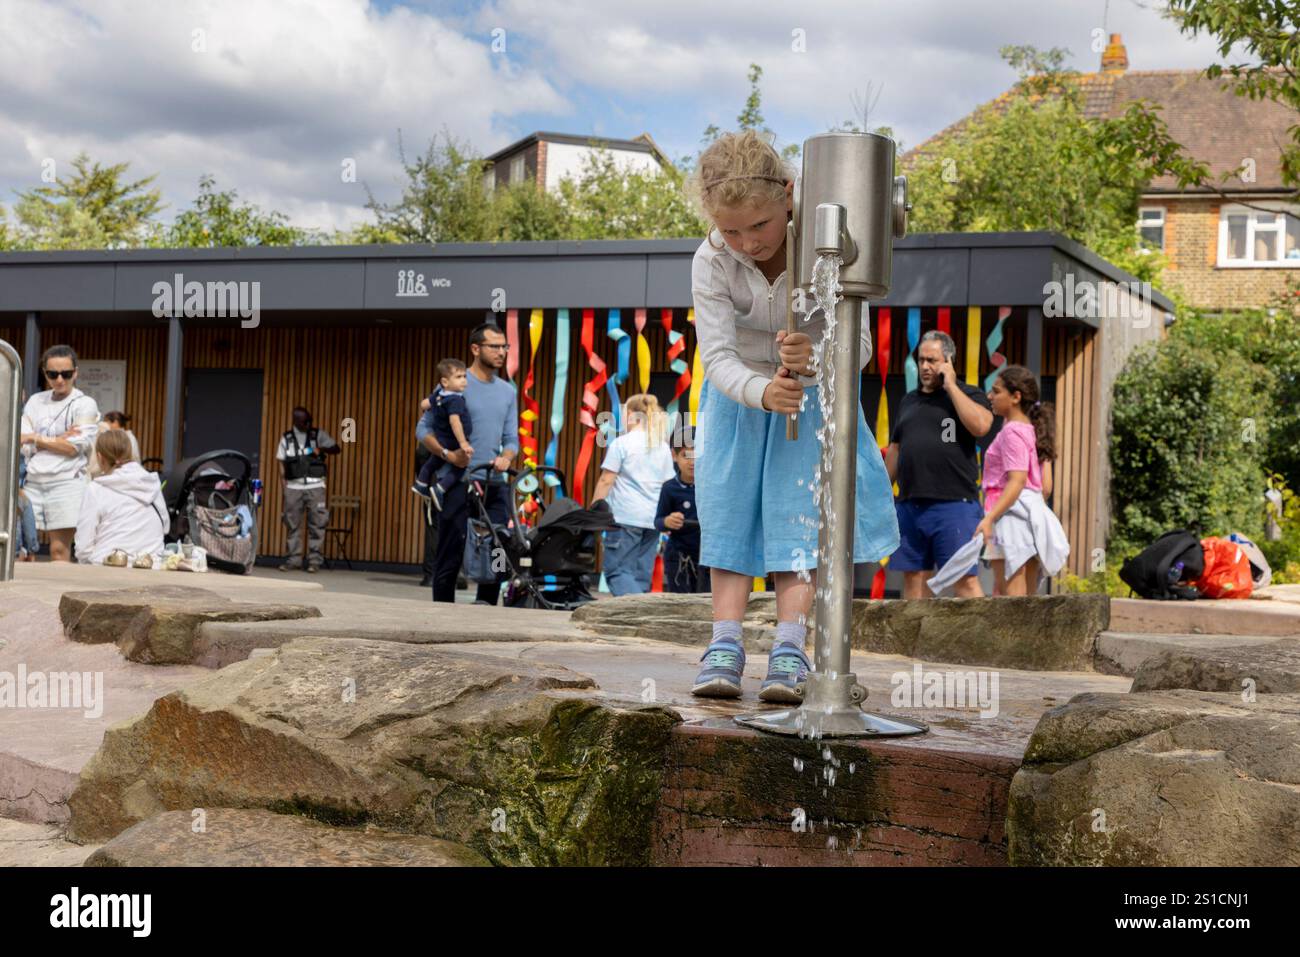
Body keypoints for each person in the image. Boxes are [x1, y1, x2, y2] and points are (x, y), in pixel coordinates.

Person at [685, 129, 899, 702]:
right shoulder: (712, 260)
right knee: (729, 515)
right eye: (731, 230)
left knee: (797, 516)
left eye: (759, 226)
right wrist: (760, 391)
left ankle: (789, 648)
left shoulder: (824, 243)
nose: (748, 243)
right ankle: (725, 643)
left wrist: (815, 359)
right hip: (740, 402)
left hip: (813, 399)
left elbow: (859, 349)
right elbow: (718, 357)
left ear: (788, 194)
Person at [885, 330, 994, 599]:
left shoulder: (970, 394)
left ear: (948, 361)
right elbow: (896, 449)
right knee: (913, 578)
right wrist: (880, 493)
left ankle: (983, 641)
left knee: (964, 580)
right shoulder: (909, 400)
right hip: (910, 505)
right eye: (921, 360)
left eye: (932, 360)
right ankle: (914, 642)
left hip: (954, 505)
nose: (924, 366)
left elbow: (981, 426)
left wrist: (952, 387)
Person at [426, 323, 518, 605]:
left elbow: (512, 438)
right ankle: (441, 616)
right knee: (450, 551)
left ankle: (486, 611)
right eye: (495, 346)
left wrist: (507, 457)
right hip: (456, 480)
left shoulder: (507, 391)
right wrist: (448, 454)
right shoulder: (455, 383)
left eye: (505, 346)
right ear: (476, 349)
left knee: (498, 550)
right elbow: (424, 432)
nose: (501, 352)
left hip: (494, 482)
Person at [975, 365, 1067, 595]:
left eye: (996, 391)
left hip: (1009, 522)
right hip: (1032, 520)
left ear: (1015, 397)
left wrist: (990, 519)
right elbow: (1045, 487)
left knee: (1010, 606)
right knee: (1026, 605)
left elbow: (1017, 480)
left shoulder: (1011, 431)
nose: (990, 396)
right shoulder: (1030, 429)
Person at [19, 345, 100, 561]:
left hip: (67, 482)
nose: (60, 380)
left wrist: (35, 437)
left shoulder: (84, 403)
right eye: (53, 374)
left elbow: (74, 447)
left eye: (66, 373)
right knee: (22, 549)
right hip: (33, 481)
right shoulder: (36, 401)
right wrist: (59, 439)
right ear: (45, 373)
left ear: (76, 372)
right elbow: (20, 440)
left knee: (59, 550)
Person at [590, 394, 676, 596]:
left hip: (624, 517)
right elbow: (667, 484)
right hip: (652, 519)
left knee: (617, 571)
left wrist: (594, 509)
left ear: (630, 414)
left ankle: (636, 612)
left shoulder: (622, 444)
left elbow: (606, 480)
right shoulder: (662, 446)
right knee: (640, 575)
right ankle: (640, 616)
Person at [74, 430, 168, 565]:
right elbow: (165, 527)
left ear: (100, 457)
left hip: (107, 568)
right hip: (152, 565)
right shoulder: (152, 484)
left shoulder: (96, 489)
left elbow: (83, 548)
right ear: (130, 453)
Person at [275, 407, 340, 572]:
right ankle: (293, 560)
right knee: (292, 524)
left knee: (317, 524)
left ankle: (314, 561)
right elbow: (281, 464)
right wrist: (285, 488)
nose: (308, 424)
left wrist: (322, 449)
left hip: (315, 486)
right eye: (305, 421)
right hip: (293, 486)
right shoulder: (287, 438)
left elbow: (336, 448)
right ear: (296, 421)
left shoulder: (317, 435)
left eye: (309, 420)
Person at [411, 358, 473, 510]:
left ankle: (421, 483)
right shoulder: (455, 400)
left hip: (441, 439)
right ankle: (440, 488)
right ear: (445, 382)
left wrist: (431, 402)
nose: (464, 381)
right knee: (461, 467)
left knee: (433, 462)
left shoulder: (439, 394)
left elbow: (424, 404)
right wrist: (463, 442)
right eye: (458, 377)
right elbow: (455, 422)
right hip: (453, 441)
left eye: (464, 376)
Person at [654, 426, 709, 593]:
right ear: (674, 455)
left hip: (707, 556)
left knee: (707, 601)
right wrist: (668, 521)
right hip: (678, 557)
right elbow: (658, 521)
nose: (692, 462)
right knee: (679, 602)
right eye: (686, 455)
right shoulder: (669, 488)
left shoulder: (712, 487)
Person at [87, 411, 141, 478]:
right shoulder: (125, 436)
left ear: (115, 422)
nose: (105, 424)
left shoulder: (126, 437)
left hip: (123, 474)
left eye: (106, 422)